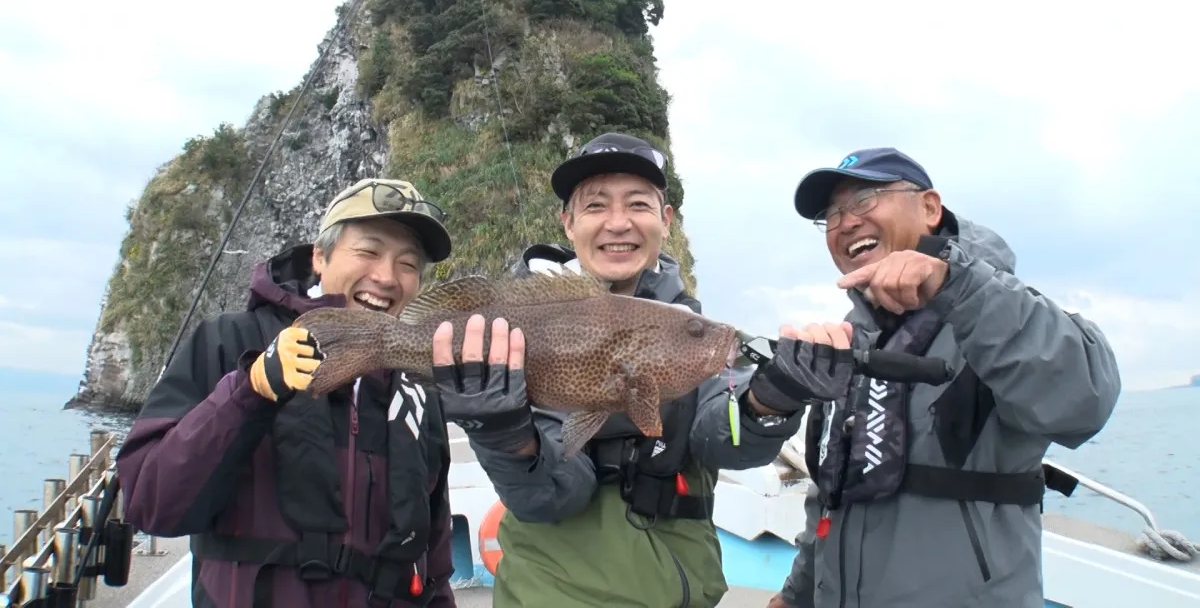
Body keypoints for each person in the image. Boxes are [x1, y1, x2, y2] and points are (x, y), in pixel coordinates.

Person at [429, 132, 849, 608]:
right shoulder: (521, 329)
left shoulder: (687, 327)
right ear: (568, 224)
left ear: (665, 221)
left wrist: (769, 401)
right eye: (595, 206)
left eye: (638, 204)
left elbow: (721, 434)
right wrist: (504, 434)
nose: (618, 223)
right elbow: (552, 496)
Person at [767, 148, 1122, 608]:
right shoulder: (850, 342)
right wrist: (796, 594)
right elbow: (834, 488)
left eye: (865, 200)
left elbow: (1084, 401)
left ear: (931, 208)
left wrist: (958, 284)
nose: (846, 222)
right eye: (831, 215)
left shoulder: (998, 317)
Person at [116, 178, 459, 608]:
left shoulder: (417, 384)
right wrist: (248, 392)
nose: (387, 277)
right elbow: (150, 503)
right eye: (368, 252)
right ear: (320, 257)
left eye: (407, 264)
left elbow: (434, 562)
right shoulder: (228, 341)